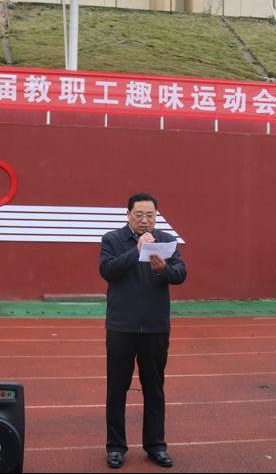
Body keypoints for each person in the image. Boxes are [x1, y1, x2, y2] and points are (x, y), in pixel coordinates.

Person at [100, 193, 187, 469]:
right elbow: (108, 270)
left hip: (155, 328)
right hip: (121, 327)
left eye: (150, 215)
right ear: (128, 214)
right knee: (117, 389)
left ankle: (156, 446)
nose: (145, 220)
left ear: (156, 216)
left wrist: (163, 270)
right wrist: (135, 251)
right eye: (139, 214)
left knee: (154, 389)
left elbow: (181, 274)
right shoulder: (112, 240)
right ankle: (116, 447)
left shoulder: (166, 241)